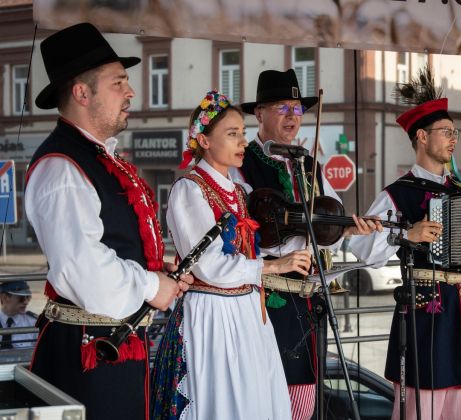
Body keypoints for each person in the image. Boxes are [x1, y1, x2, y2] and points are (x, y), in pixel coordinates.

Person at [25, 23, 191, 420]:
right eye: (118, 83)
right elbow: (83, 268)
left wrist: (155, 271)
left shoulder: (96, 157)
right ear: (82, 93)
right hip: (87, 357)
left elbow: (111, 246)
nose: (130, 92)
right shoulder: (61, 168)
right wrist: (152, 285)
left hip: (112, 346)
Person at [151, 89, 313, 419]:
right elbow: (210, 266)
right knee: (222, 401)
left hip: (246, 313)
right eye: (232, 134)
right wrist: (272, 266)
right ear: (204, 141)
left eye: (243, 133)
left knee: (254, 400)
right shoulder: (190, 189)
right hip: (211, 315)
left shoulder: (238, 192)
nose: (242, 142)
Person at [231, 68, 381, 420]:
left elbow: (327, 223)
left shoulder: (311, 165)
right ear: (260, 113)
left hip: (309, 296)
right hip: (266, 295)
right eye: (282, 108)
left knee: (306, 388)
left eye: (297, 110)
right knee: (269, 386)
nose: (292, 117)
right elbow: (242, 228)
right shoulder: (242, 164)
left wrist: (349, 228)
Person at [349, 67, 461, 420]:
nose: (453, 138)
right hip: (424, 313)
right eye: (446, 132)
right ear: (423, 137)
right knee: (421, 407)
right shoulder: (397, 194)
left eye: (454, 132)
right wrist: (405, 235)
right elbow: (363, 250)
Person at [0, 281, 37, 349]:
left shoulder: (33, 323)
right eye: (21, 298)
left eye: (28, 297)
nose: (26, 302)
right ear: (4, 297)